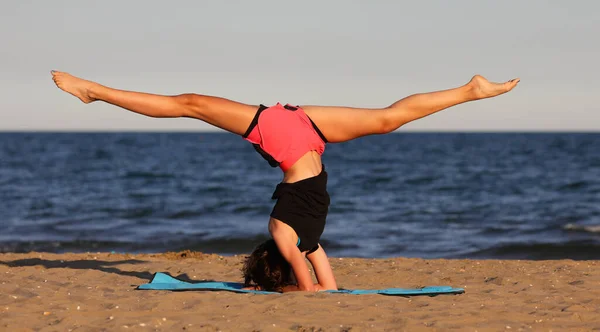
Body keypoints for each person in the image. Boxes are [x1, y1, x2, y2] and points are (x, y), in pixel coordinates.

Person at [51, 71, 520, 292]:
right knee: (386, 120)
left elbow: (316, 287)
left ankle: (96, 92)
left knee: (190, 102)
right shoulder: (300, 238)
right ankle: (469, 91)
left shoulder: (293, 234)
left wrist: (305, 291)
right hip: (305, 134)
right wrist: (314, 292)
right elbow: (324, 290)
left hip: (292, 139)